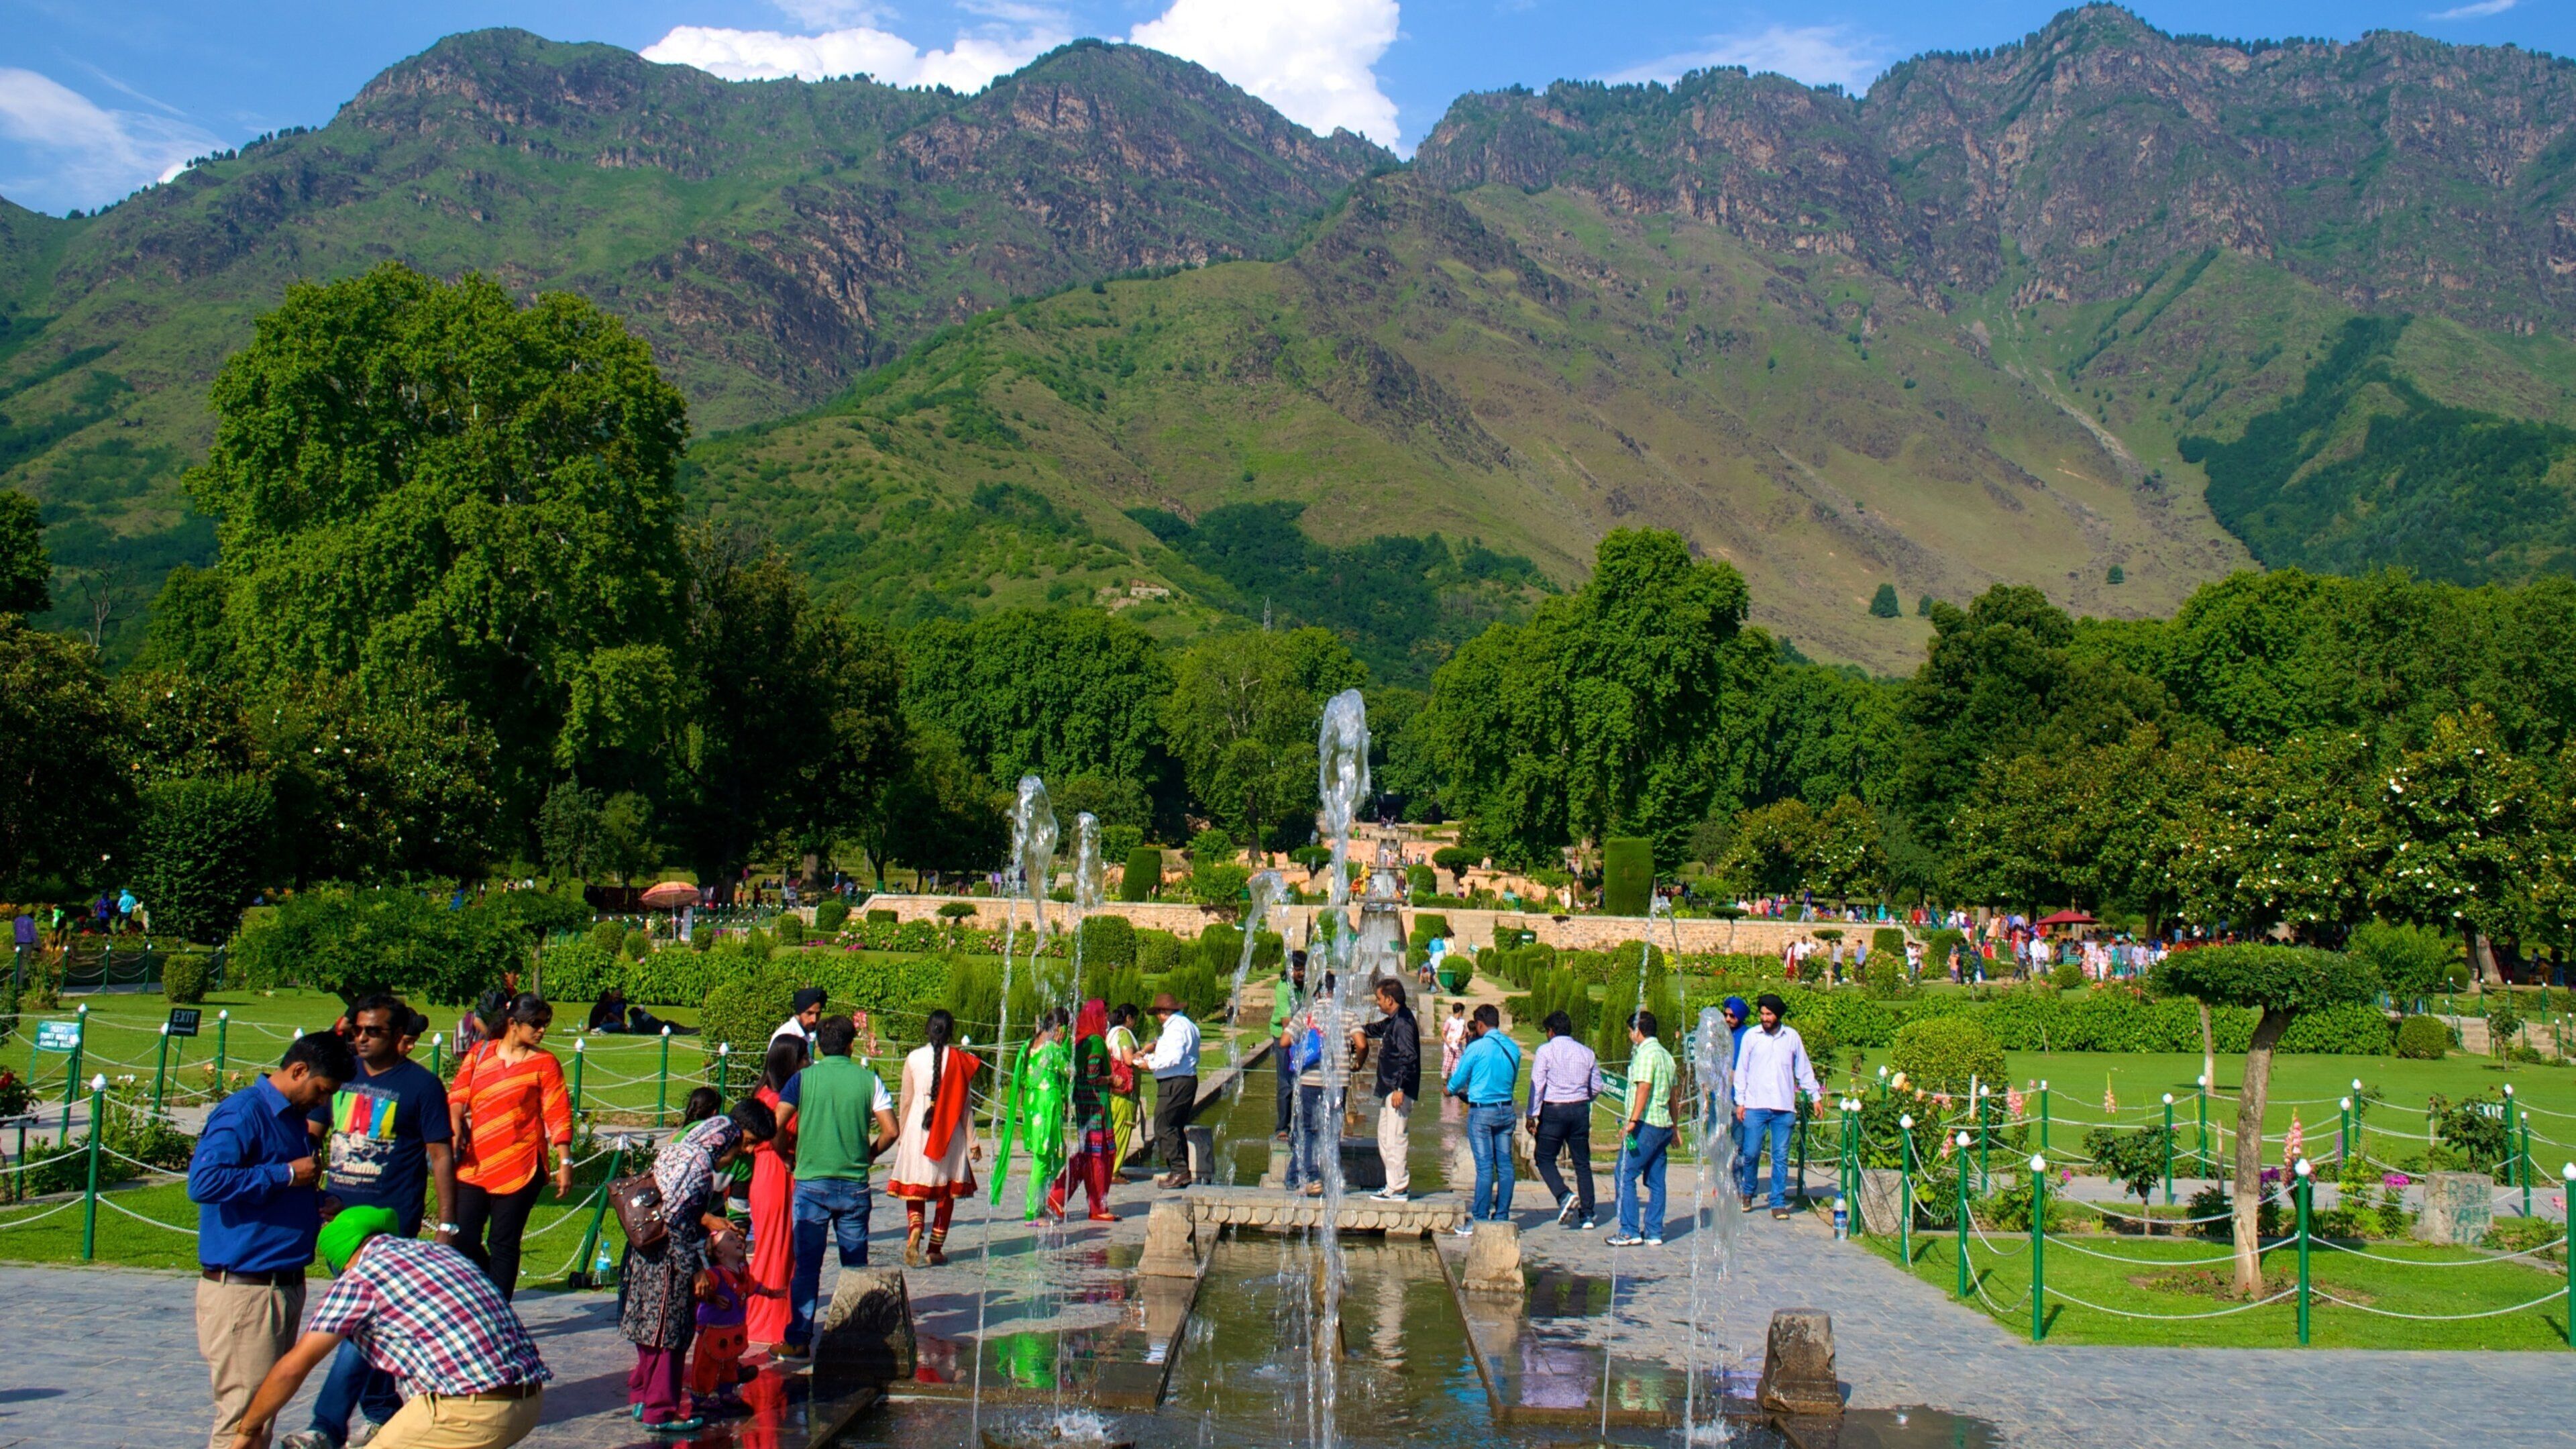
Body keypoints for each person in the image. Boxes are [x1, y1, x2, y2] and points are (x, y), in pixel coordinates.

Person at [225, 1205, 550, 1449]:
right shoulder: (439, 1253)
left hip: (469, 1411)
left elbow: (293, 1368)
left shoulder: (361, 1278)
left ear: (341, 1260)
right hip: (529, 1400)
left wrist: (249, 1429)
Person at [289, 995, 458, 1449]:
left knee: (357, 1325)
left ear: (399, 1037)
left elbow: (440, 1155)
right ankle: (383, 1410)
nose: (361, 1038)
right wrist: (309, 1192)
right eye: (357, 1030)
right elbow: (312, 1136)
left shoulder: (421, 1087)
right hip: (339, 1224)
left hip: (388, 1230)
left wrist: (447, 1225)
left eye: (373, 1031)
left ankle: (325, 1426)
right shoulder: (339, 1079)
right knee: (373, 1329)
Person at [191, 1030, 356, 1449]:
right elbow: (205, 1181)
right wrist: (283, 1174)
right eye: (321, 1090)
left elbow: (280, 1185)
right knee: (244, 1420)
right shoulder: (244, 1113)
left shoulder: (292, 1120)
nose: (322, 1102)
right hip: (245, 1291)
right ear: (298, 1070)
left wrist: (315, 1199)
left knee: (262, 1415)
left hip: (283, 1285)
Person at [624, 1101, 775, 1435]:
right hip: (670, 1262)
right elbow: (679, 1224)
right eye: (744, 1144)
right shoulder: (698, 1167)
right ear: (725, 1139)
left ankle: (645, 1398)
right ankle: (661, 1411)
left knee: (649, 1332)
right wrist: (696, 1270)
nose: (740, 1154)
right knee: (671, 1336)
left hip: (646, 1255)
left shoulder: (681, 1151)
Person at [782, 1016, 897, 1355]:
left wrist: (786, 1156)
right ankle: (854, 1338)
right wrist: (870, 1154)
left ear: (818, 1044)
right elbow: (891, 1130)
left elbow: (777, 1121)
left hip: (811, 1183)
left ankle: (799, 1338)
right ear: (851, 1045)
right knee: (855, 1266)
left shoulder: (802, 1079)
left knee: (807, 1266)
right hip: (853, 1185)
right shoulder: (869, 1080)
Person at [448, 994, 573, 1301]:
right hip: (473, 1163)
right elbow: (457, 1095)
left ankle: (497, 1310)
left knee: (503, 1241)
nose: (542, 1030)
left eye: (545, 1025)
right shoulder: (479, 1054)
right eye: (536, 1024)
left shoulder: (545, 1063)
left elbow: (557, 1112)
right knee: (462, 1236)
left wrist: (565, 1161)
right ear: (513, 1024)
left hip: (520, 1165)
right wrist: (453, 1125)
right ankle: (487, 1289)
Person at [888, 1009, 982, 1266]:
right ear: (950, 1031)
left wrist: (903, 1133)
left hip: (919, 1129)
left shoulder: (913, 1058)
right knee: (946, 1192)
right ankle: (935, 1249)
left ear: (928, 1030)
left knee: (914, 1187)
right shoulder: (959, 1060)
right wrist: (973, 1140)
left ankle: (915, 1229)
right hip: (949, 1131)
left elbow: (906, 1100)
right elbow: (965, 1106)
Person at [1731, 993, 1822, 1221]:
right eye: (1762, 1014)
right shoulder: (1752, 1036)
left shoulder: (1791, 1037)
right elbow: (1741, 1071)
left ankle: (1778, 1202)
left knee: (1780, 1156)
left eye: (1769, 1014)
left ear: (1777, 1015)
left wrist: (1815, 1096)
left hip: (1783, 1106)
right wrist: (1740, 1102)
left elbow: (1803, 1069)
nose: (1765, 1018)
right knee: (1750, 1153)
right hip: (1755, 1105)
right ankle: (1748, 1191)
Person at [743, 1038, 803, 1354]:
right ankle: (769, 1319)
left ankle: (768, 1316)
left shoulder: (763, 1092)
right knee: (777, 1248)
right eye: (803, 1058)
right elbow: (779, 1132)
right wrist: (788, 1159)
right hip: (778, 1171)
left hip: (765, 1171)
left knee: (773, 1245)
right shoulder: (781, 1098)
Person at [1445, 1004, 1520, 1230]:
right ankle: (1502, 1215)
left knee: (1485, 1166)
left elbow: (1459, 1078)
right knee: (1505, 1165)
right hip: (1506, 1109)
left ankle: (1479, 1218)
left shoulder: (1476, 1048)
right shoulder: (1513, 1048)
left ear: (1479, 1024)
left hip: (1482, 1112)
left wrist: (1449, 1089)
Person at [1527, 1010, 1604, 1230]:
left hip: (1554, 1110)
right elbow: (1597, 1086)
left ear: (1551, 1032)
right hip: (1579, 1110)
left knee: (1543, 1157)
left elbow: (1538, 1084)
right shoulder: (1586, 1052)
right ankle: (1587, 1214)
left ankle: (1563, 1195)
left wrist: (1532, 1115)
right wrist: (1583, 1097)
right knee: (1582, 1162)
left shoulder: (1546, 1051)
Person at [1607, 1011, 1678, 1248]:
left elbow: (1644, 1087)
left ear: (1637, 1031)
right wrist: (1675, 1128)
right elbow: (1673, 1097)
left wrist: (1633, 1121)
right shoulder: (1667, 1056)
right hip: (1663, 1125)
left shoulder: (1646, 1054)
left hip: (1647, 1125)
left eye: (1630, 1031)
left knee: (1625, 1172)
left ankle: (1629, 1230)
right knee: (1657, 1180)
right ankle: (1654, 1231)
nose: (1630, 1036)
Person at [1348, 977, 1419, 1203]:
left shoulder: (1404, 1023)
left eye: (1379, 999)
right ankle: (1393, 1184)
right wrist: (1354, 1029)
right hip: (1390, 1088)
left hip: (1399, 1090)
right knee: (1385, 1137)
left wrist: (1401, 1087)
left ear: (1390, 999)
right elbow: (1376, 1029)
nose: (1377, 1003)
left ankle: (1398, 1188)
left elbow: (1409, 1058)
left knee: (1396, 1137)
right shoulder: (1394, 1020)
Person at [1049, 1000, 1116, 1222]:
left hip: (1084, 1107)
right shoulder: (1095, 1041)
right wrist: (1112, 1079)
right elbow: (1093, 1076)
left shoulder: (1079, 1041)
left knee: (1087, 1155)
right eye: (1103, 1015)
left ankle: (1057, 1196)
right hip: (1097, 1108)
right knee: (1099, 1157)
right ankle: (1098, 1207)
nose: (1106, 1020)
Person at [1005, 1010, 1072, 1218]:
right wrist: (1063, 1048)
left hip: (1033, 1106)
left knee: (1058, 1155)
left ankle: (1040, 1200)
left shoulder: (1028, 1046)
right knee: (1043, 1159)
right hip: (1046, 1107)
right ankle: (1032, 1211)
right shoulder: (1053, 1048)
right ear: (1059, 1027)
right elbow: (1070, 1071)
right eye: (1066, 1029)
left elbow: (1024, 1078)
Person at [688, 1229, 755, 1415]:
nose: (739, 1240)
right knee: (706, 1363)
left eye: (737, 1237)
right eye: (731, 1239)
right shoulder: (714, 1274)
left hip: (733, 1327)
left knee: (730, 1360)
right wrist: (713, 1298)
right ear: (719, 1253)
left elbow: (749, 1285)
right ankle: (701, 1397)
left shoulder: (740, 1269)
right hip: (713, 1329)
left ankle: (726, 1391)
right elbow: (701, 1290)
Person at [1143, 993, 1201, 1189]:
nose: (1159, 1016)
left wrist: (1149, 1063)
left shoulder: (1176, 1027)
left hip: (1175, 1081)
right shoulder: (1187, 1024)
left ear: (1165, 1012)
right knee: (1175, 1126)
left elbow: (1174, 1057)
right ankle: (1180, 1171)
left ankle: (1179, 1171)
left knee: (1163, 1125)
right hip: (1185, 1080)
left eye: (1160, 1012)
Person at [1104, 1003, 1143, 1181]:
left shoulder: (1111, 1033)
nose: (1135, 1023)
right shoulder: (1124, 1035)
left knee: (1113, 1130)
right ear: (1128, 1018)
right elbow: (1128, 1060)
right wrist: (1146, 1051)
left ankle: (1111, 1168)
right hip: (1124, 1092)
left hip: (1113, 1092)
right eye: (1134, 1018)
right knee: (1122, 1131)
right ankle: (1113, 1171)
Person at [769, 987, 826, 1059]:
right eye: (809, 1013)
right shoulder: (786, 1035)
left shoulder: (807, 1034)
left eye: (818, 1014)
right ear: (799, 1012)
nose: (814, 1020)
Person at [1440, 1002, 1468, 1081]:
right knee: (1447, 1067)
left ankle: (1453, 1088)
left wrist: (1460, 1038)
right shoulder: (1449, 1021)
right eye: (1463, 1011)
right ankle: (1445, 1085)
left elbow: (1465, 1033)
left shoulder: (1463, 1021)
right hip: (1449, 1048)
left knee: (1456, 1068)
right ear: (1460, 1011)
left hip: (1458, 1048)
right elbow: (1443, 1033)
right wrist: (1447, 1042)